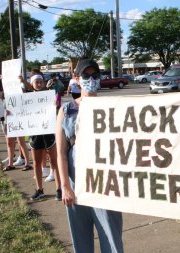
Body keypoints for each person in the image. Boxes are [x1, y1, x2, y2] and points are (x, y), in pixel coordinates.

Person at [56, 59, 123, 253]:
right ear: (76, 79)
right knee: (81, 238)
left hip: (106, 184)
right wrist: (65, 186)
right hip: (76, 183)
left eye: (95, 75)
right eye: (86, 76)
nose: (91, 79)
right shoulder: (67, 110)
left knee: (111, 237)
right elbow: (60, 152)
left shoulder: (114, 106)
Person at [0, 78, 32, 172]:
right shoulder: (4, 95)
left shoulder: (20, 93)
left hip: (18, 121)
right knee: (10, 143)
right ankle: (10, 164)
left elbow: (26, 100)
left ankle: (27, 163)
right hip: (7, 122)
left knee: (21, 142)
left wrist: (21, 81)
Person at [27, 74, 62, 201]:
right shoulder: (26, 97)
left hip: (48, 132)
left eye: (41, 81)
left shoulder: (50, 95)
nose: (39, 84)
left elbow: (58, 108)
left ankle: (59, 189)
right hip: (35, 133)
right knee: (36, 163)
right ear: (32, 84)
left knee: (54, 161)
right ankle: (39, 189)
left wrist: (56, 104)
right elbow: (19, 112)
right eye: (37, 82)